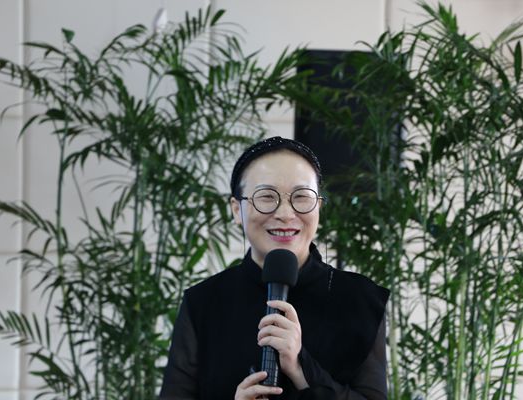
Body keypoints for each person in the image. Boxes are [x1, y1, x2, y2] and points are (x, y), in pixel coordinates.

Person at [160, 136, 389, 399]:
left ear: (318, 207)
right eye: (267, 197)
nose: (285, 214)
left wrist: (302, 369)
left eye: (301, 197)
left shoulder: (360, 299)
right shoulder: (204, 301)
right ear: (236, 209)